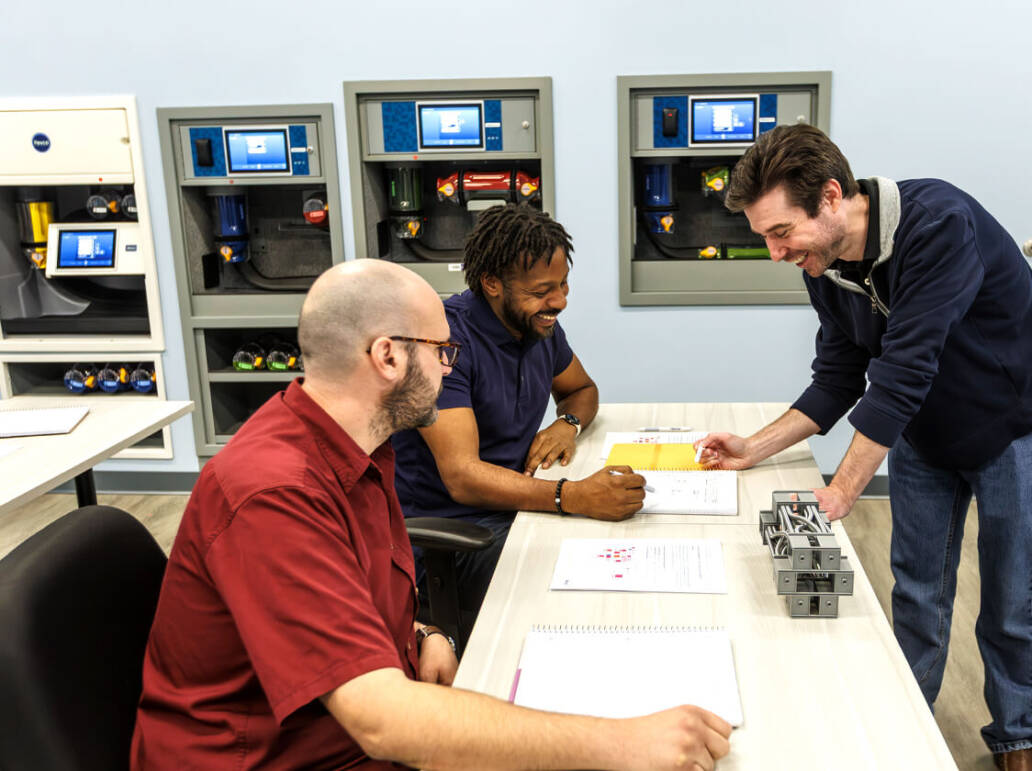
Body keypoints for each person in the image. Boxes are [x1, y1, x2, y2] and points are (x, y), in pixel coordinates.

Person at [131, 259, 731, 770]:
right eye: (443, 350)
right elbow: (382, 720)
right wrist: (622, 742)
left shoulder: (356, 447)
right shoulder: (274, 492)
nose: (451, 368)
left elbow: (332, 603)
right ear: (388, 356)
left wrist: (422, 631)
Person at [696, 124, 1032, 769]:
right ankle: (904, 726)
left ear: (830, 196)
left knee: (1013, 605)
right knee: (916, 596)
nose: (773, 252)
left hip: (1011, 427)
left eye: (779, 232)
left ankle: (1018, 735)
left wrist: (843, 489)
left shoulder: (939, 224)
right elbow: (840, 375)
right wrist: (753, 447)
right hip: (923, 434)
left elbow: (903, 372)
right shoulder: (824, 261)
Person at [392, 204, 646, 627]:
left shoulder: (536, 324)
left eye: (564, 285)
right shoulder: (443, 343)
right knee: (594, 584)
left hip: (515, 513)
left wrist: (568, 424)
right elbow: (462, 476)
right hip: (450, 543)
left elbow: (581, 390)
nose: (560, 302)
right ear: (492, 283)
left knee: (618, 546)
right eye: (543, 290)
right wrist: (572, 495)